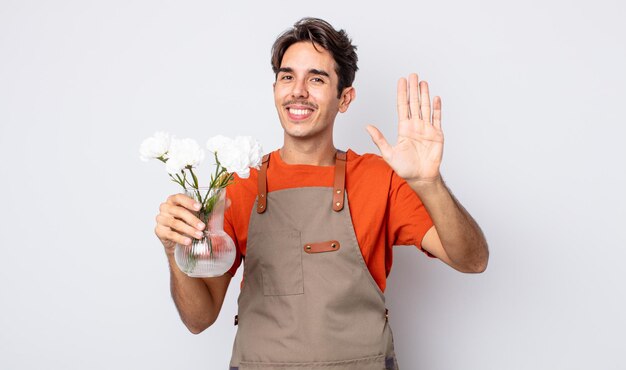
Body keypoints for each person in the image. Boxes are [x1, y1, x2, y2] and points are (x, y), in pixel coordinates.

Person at [154, 17, 488, 370]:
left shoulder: (380, 179)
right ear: (275, 90)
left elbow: (472, 260)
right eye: (287, 77)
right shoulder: (238, 186)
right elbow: (198, 319)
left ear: (345, 99)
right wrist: (173, 250)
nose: (298, 90)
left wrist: (428, 183)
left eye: (316, 78)